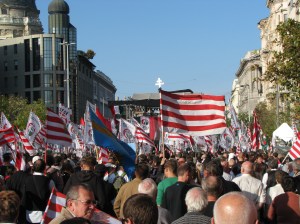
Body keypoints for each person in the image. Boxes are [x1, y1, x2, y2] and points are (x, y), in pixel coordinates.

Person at [23, 158, 55, 223]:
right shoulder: (49, 181)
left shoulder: (26, 179)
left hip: (29, 214)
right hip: (43, 214)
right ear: (44, 168)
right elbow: (55, 195)